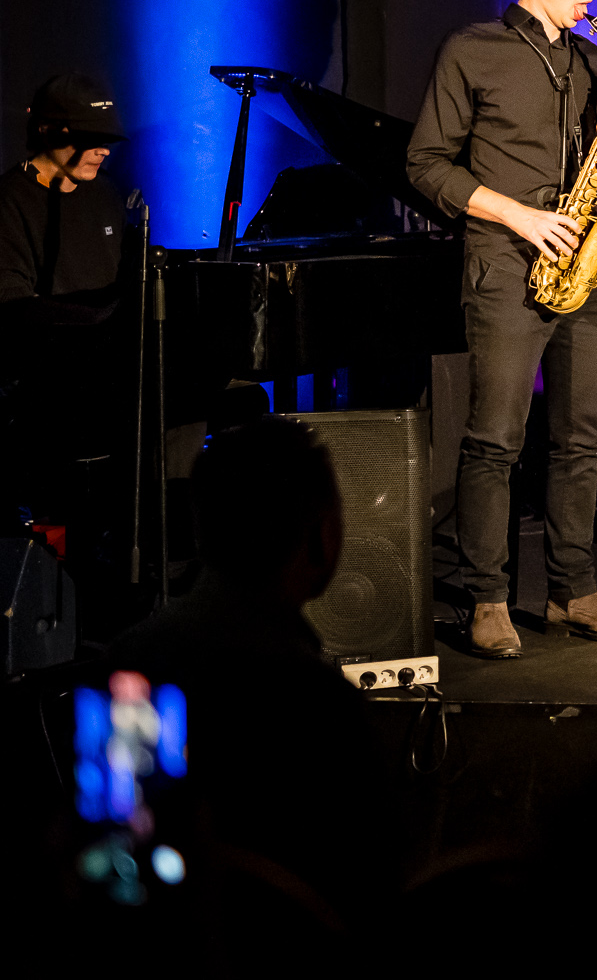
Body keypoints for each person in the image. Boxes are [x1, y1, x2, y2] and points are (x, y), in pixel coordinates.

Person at [406, 0, 597, 659]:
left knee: (581, 441)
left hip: (587, 260)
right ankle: (487, 598)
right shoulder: (472, 49)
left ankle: (574, 591)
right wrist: (520, 215)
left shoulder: (591, 59)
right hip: (508, 261)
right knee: (496, 440)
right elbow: (425, 164)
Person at [110, 416, 397, 926]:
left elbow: (108, 858)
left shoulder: (131, 664)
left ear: (201, 530)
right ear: (324, 538)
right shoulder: (322, 704)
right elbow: (365, 891)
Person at [0, 74, 130, 535]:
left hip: (110, 372)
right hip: (50, 383)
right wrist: (95, 323)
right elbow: (13, 305)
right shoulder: (10, 201)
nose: (104, 150)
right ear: (47, 131)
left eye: (107, 140)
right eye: (92, 140)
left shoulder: (108, 194)